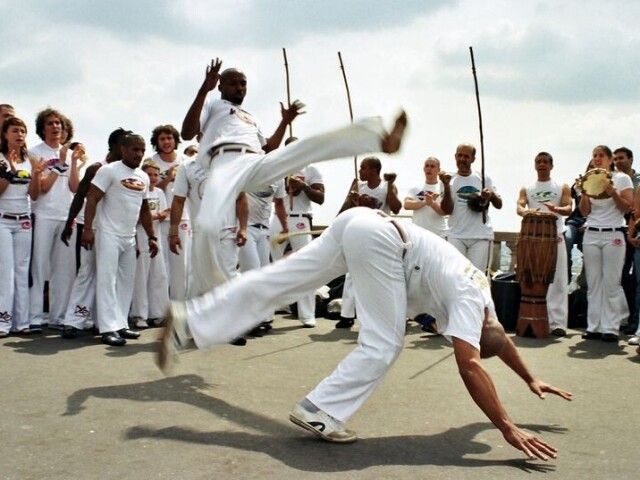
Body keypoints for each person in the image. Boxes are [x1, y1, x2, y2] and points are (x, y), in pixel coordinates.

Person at [158, 207, 572, 460]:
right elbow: (471, 365)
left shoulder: (482, 298)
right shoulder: (469, 300)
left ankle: (189, 322)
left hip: (360, 222)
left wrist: (529, 377)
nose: (459, 338)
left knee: (279, 281)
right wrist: (507, 426)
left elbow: (496, 341)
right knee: (384, 343)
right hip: (384, 241)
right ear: (477, 325)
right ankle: (318, 410)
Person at [81, 134, 158, 346]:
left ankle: (121, 324)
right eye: (135, 149)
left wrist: (152, 236)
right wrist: (88, 229)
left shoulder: (142, 176)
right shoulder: (109, 171)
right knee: (107, 281)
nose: (139, 154)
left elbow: (144, 209)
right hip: (108, 234)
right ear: (123, 149)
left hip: (129, 237)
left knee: (126, 282)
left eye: (142, 150)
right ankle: (107, 328)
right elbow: (92, 198)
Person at [60, 128, 130, 339]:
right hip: (90, 227)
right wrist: (70, 222)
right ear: (115, 147)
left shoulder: (127, 172)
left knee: (110, 278)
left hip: (114, 231)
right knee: (87, 272)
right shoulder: (96, 169)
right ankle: (74, 321)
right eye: (124, 146)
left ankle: (107, 322)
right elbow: (80, 196)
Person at [28, 108, 80, 331]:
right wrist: (59, 163)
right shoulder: (33, 153)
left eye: (58, 123)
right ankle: (35, 317)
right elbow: (40, 188)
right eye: (50, 123)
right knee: (39, 267)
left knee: (64, 269)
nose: (55, 127)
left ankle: (58, 317)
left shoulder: (69, 153)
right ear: (42, 128)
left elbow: (75, 187)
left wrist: (74, 162)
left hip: (65, 215)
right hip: (43, 214)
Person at [337, 156, 401, 329]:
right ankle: (347, 315)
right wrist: (351, 198)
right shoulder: (359, 186)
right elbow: (343, 211)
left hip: (381, 236)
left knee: (383, 276)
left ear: (373, 170)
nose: (360, 171)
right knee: (352, 273)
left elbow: (396, 208)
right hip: (360, 234)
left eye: (363, 168)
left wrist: (389, 186)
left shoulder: (386, 186)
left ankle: (389, 315)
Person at [270, 137, 326, 328]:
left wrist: (303, 187)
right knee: (272, 262)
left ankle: (307, 313)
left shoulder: (311, 169)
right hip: (279, 217)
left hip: (300, 218)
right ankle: (276, 305)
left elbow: (320, 198)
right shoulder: (279, 168)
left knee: (305, 264)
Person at [579, 145, 633, 342]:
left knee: (611, 282)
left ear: (610, 159)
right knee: (594, 283)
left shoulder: (621, 178)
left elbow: (626, 207)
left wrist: (613, 192)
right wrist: (585, 192)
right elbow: (584, 212)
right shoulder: (589, 179)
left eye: (601, 155)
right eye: (594, 156)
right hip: (592, 233)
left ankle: (610, 327)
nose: (597, 158)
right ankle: (593, 326)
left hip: (614, 233)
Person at [516, 152, 572, 337]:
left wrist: (555, 209)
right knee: (533, 279)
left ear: (551, 166)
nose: (542, 165)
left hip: (555, 236)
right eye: (539, 162)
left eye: (545, 162)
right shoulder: (527, 188)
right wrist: (525, 211)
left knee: (559, 281)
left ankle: (558, 324)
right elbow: (520, 206)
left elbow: (568, 208)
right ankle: (539, 319)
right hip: (533, 239)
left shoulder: (561, 186)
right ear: (535, 165)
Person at [0, 117, 45, 337]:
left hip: (23, 220)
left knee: (21, 271)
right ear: (5, 134)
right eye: (15, 131)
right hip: (2, 220)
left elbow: (34, 195)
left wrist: (36, 176)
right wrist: (11, 170)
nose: (20, 135)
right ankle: (3, 322)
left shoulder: (32, 160)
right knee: (6, 272)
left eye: (23, 131)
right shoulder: (0, 158)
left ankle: (22, 322)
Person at [440, 143, 502, 273]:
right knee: (455, 275)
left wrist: (490, 196)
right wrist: (446, 186)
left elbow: (499, 204)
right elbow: (447, 210)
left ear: (473, 159)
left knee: (477, 277)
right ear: (455, 156)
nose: (462, 159)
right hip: (455, 235)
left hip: (480, 236)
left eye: (466, 156)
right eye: (460, 155)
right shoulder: (447, 180)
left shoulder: (483, 178)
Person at [150, 124, 191, 301]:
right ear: (156, 142)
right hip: (157, 219)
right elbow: (149, 188)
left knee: (181, 265)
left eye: (169, 138)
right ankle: (160, 307)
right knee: (159, 266)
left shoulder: (186, 162)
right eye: (162, 139)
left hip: (182, 218)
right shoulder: (151, 162)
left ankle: (179, 305)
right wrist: (167, 179)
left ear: (175, 140)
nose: (166, 142)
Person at [130, 160, 170, 328]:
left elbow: (165, 213)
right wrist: (153, 216)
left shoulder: (160, 192)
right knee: (141, 278)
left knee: (159, 276)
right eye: (149, 174)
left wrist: (160, 216)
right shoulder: (138, 191)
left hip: (157, 239)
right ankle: (139, 315)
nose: (152, 178)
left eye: (155, 175)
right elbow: (136, 218)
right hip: (141, 238)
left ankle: (158, 313)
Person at [613, 147, 640, 335]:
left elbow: (634, 209)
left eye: (621, 158)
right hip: (621, 233)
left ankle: (634, 322)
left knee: (636, 280)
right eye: (615, 158)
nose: (618, 161)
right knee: (623, 277)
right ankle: (629, 318)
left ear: (631, 159)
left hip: (634, 232)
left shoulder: (638, 181)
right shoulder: (613, 179)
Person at [404, 156, 448, 237]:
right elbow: (406, 205)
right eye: (426, 166)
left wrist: (432, 204)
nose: (429, 168)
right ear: (423, 168)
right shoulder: (415, 187)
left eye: (432, 166)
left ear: (438, 170)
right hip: (418, 234)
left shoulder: (444, 188)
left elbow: (444, 212)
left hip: (439, 234)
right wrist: (424, 202)